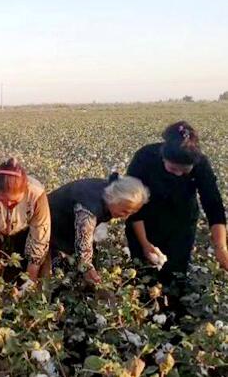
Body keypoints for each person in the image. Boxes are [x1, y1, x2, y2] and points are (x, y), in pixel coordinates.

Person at [125, 121, 228, 283]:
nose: (179, 174)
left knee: (175, 277)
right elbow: (132, 206)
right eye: (173, 169)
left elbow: (213, 205)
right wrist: (145, 244)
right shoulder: (145, 158)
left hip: (182, 225)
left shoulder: (200, 163)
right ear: (163, 156)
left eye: (185, 170)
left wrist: (221, 247)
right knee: (144, 277)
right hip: (145, 223)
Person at [48, 174, 149, 284]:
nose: (126, 216)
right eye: (124, 211)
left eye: (131, 212)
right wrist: (87, 267)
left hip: (67, 228)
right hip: (50, 228)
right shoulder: (90, 206)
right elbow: (84, 239)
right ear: (114, 199)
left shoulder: (110, 191)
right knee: (58, 274)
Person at [0, 158, 51, 286]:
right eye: (2, 200)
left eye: (14, 201)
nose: (8, 204)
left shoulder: (36, 194)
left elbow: (40, 241)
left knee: (41, 274)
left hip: (26, 234)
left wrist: (30, 281)